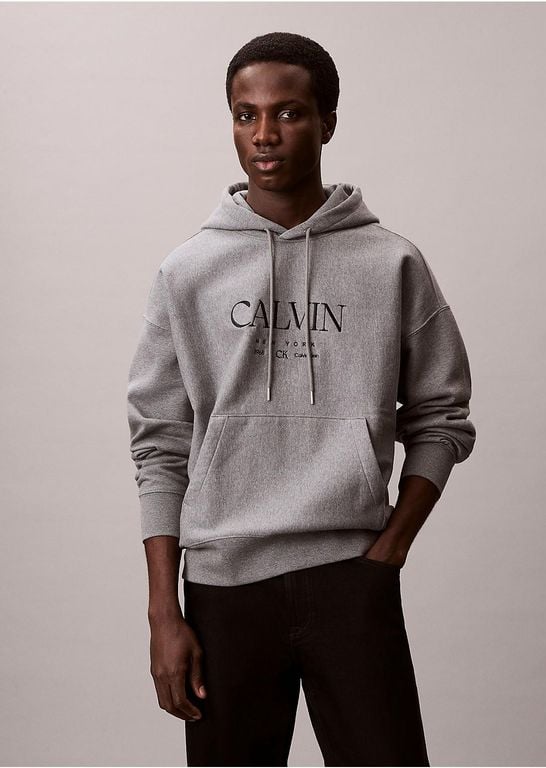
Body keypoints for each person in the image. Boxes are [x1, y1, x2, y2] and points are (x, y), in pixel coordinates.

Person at [127, 31, 476, 767]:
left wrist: (391, 547)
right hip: (223, 584)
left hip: (351, 576)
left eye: (287, 113)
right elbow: (159, 442)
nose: (264, 134)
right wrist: (164, 610)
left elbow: (442, 417)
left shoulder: (391, 262)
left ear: (327, 122)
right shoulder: (187, 272)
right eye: (245, 114)